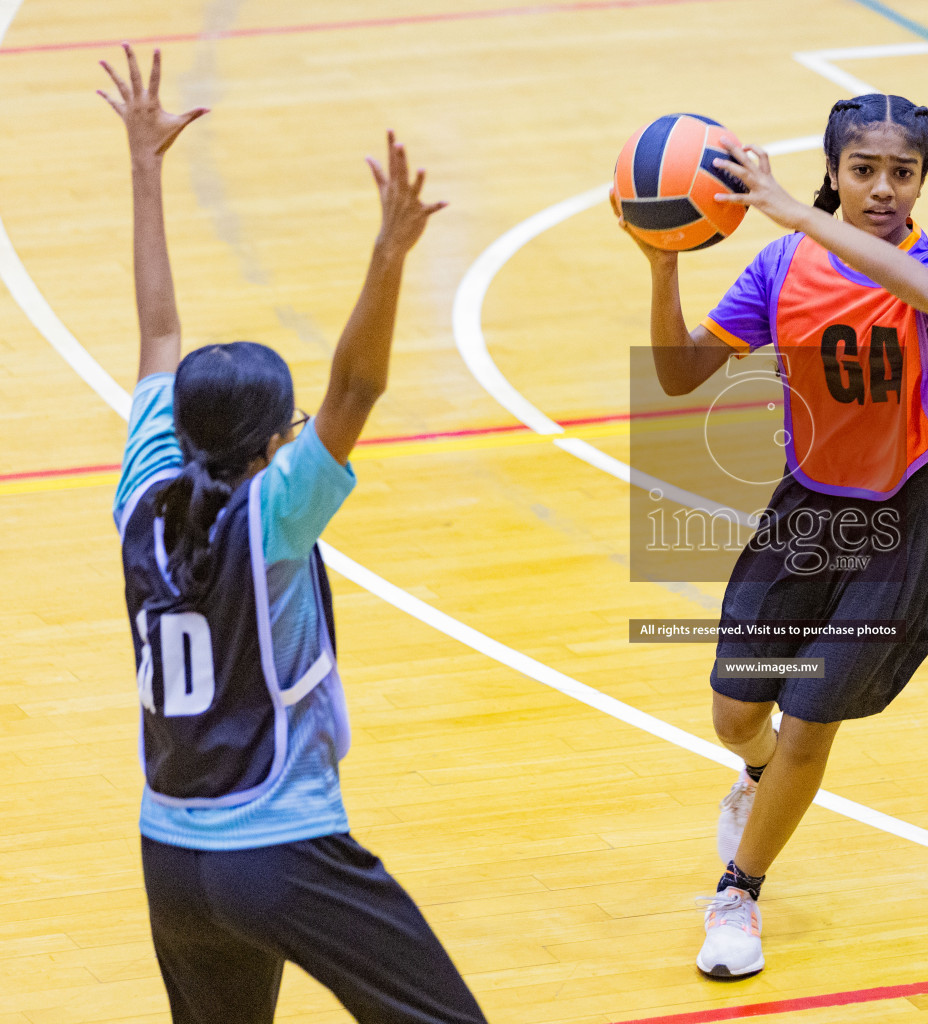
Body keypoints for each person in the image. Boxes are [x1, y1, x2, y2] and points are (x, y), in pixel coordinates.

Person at [100, 45, 481, 1023]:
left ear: (179, 428)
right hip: (280, 850)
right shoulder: (274, 516)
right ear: (276, 444)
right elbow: (356, 388)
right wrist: (388, 255)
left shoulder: (144, 492)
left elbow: (155, 338)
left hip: (171, 856)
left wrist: (144, 168)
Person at [620, 93, 928, 978]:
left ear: (922, 180)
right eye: (864, 171)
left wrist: (792, 211)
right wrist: (661, 264)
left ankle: (738, 894)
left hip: (905, 516)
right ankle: (757, 779)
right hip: (808, 510)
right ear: (834, 173)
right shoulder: (782, 269)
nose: (885, 188)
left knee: (811, 722)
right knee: (737, 715)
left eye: (903, 173)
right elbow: (677, 376)